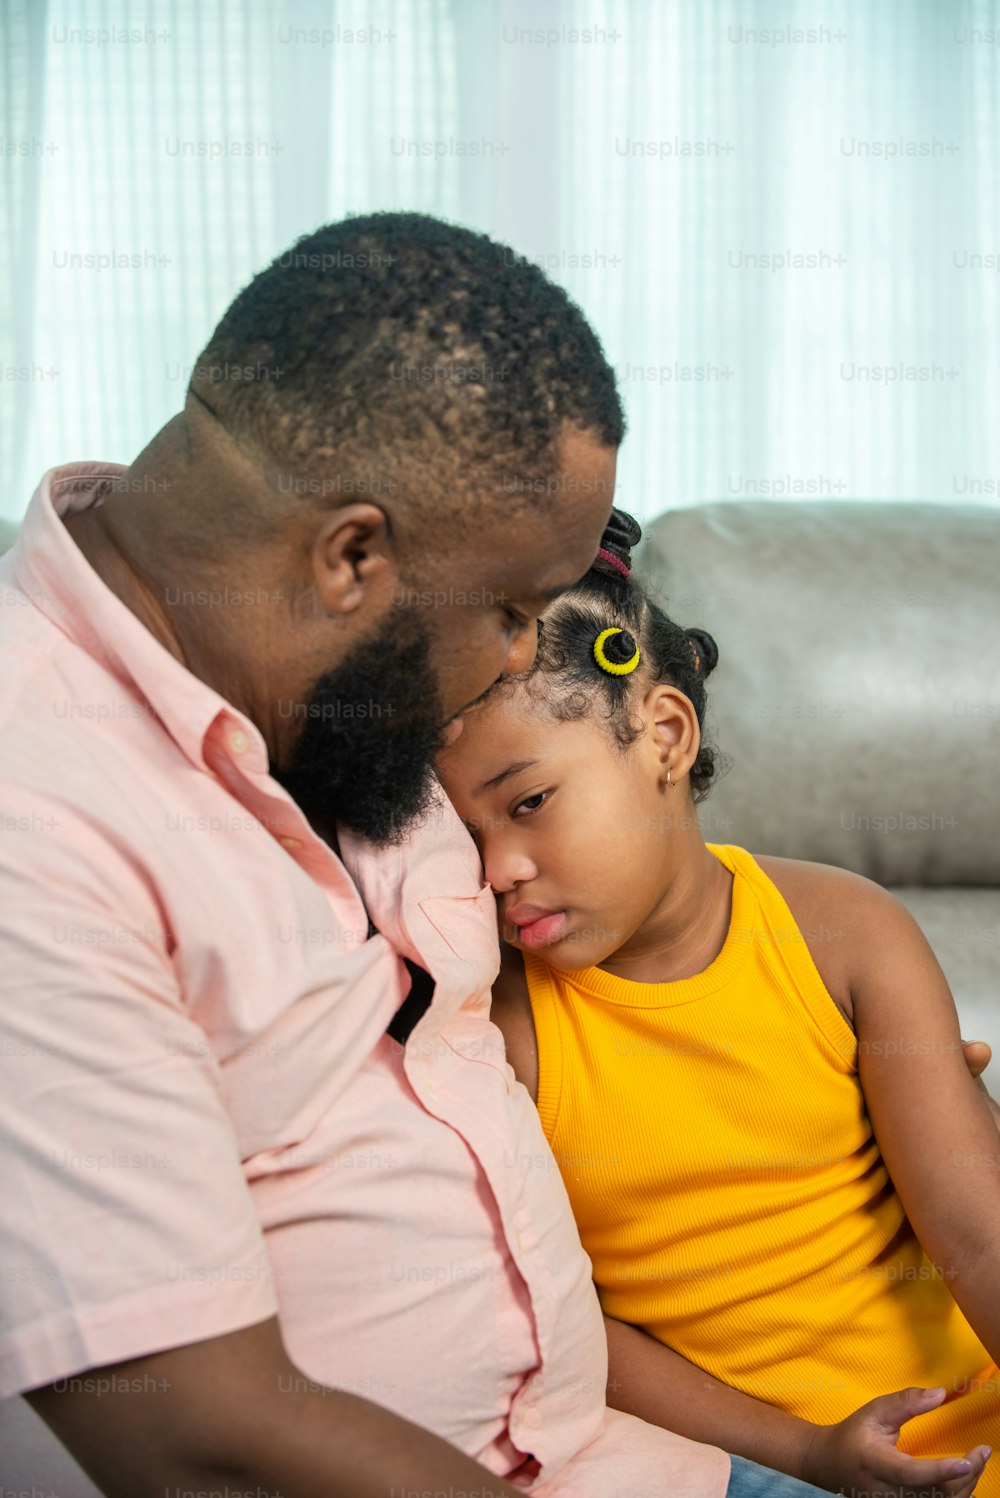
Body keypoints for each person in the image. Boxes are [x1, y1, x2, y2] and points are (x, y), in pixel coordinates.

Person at [0, 213, 845, 1498]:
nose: (520, 657)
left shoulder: (343, 696)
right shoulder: (39, 814)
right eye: (510, 611)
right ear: (350, 556)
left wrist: (832, 1056)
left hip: (633, 1461)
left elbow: (626, 907)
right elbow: (199, 1433)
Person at [438, 507, 1000, 1498]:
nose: (498, 870)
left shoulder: (845, 934)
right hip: (751, 1460)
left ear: (662, 732)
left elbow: (976, 1232)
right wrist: (808, 1452)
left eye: (526, 803)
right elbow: (569, 1328)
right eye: (462, 835)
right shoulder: (506, 1028)